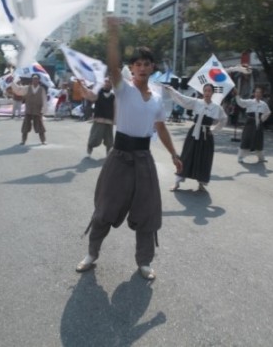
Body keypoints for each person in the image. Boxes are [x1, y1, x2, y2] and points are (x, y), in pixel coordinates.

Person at [76, 18, 182, 281]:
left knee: (148, 212)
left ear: (152, 68)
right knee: (105, 209)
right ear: (132, 69)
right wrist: (113, 33)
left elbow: (161, 128)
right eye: (138, 64)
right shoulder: (123, 88)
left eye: (147, 64)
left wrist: (173, 154)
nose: (143, 68)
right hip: (120, 157)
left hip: (144, 159)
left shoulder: (157, 97)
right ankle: (92, 253)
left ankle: (144, 262)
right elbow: (112, 66)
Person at [166, 83, 227, 192]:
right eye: (205, 91)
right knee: (186, 156)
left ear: (212, 93)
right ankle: (177, 182)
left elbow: (224, 119)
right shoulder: (197, 102)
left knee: (204, 159)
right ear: (203, 92)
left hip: (206, 136)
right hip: (194, 133)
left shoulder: (217, 107)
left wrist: (213, 130)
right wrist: (171, 90)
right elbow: (182, 99)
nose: (207, 93)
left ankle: (201, 183)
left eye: (209, 91)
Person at [234, 87, 271, 163]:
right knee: (246, 139)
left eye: (259, 92)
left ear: (261, 94)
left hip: (258, 124)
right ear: (254, 94)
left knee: (259, 140)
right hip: (250, 123)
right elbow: (240, 102)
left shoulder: (263, 104)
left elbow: (268, 112)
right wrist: (237, 95)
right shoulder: (250, 102)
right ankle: (240, 157)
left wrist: (262, 119)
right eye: (256, 92)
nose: (258, 94)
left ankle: (261, 157)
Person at [79, 78, 115, 156]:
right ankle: (90, 146)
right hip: (99, 119)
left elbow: (117, 107)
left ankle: (109, 155)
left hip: (109, 120)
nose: (107, 83)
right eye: (106, 81)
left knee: (109, 141)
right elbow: (89, 94)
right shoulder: (98, 93)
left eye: (109, 82)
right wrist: (82, 85)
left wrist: (116, 119)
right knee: (95, 138)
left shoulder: (113, 95)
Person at [10, 74, 48, 145]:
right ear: (32, 80)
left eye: (36, 79)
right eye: (34, 79)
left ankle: (43, 140)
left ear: (39, 80)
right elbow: (18, 90)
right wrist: (12, 82)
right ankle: (23, 140)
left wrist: (43, 111)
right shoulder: (27, 88)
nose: (35, 80)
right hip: (29, 110)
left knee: (40, 126)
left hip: (37, 110)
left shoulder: (42, 89)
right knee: (25, 126)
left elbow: (44, 100)